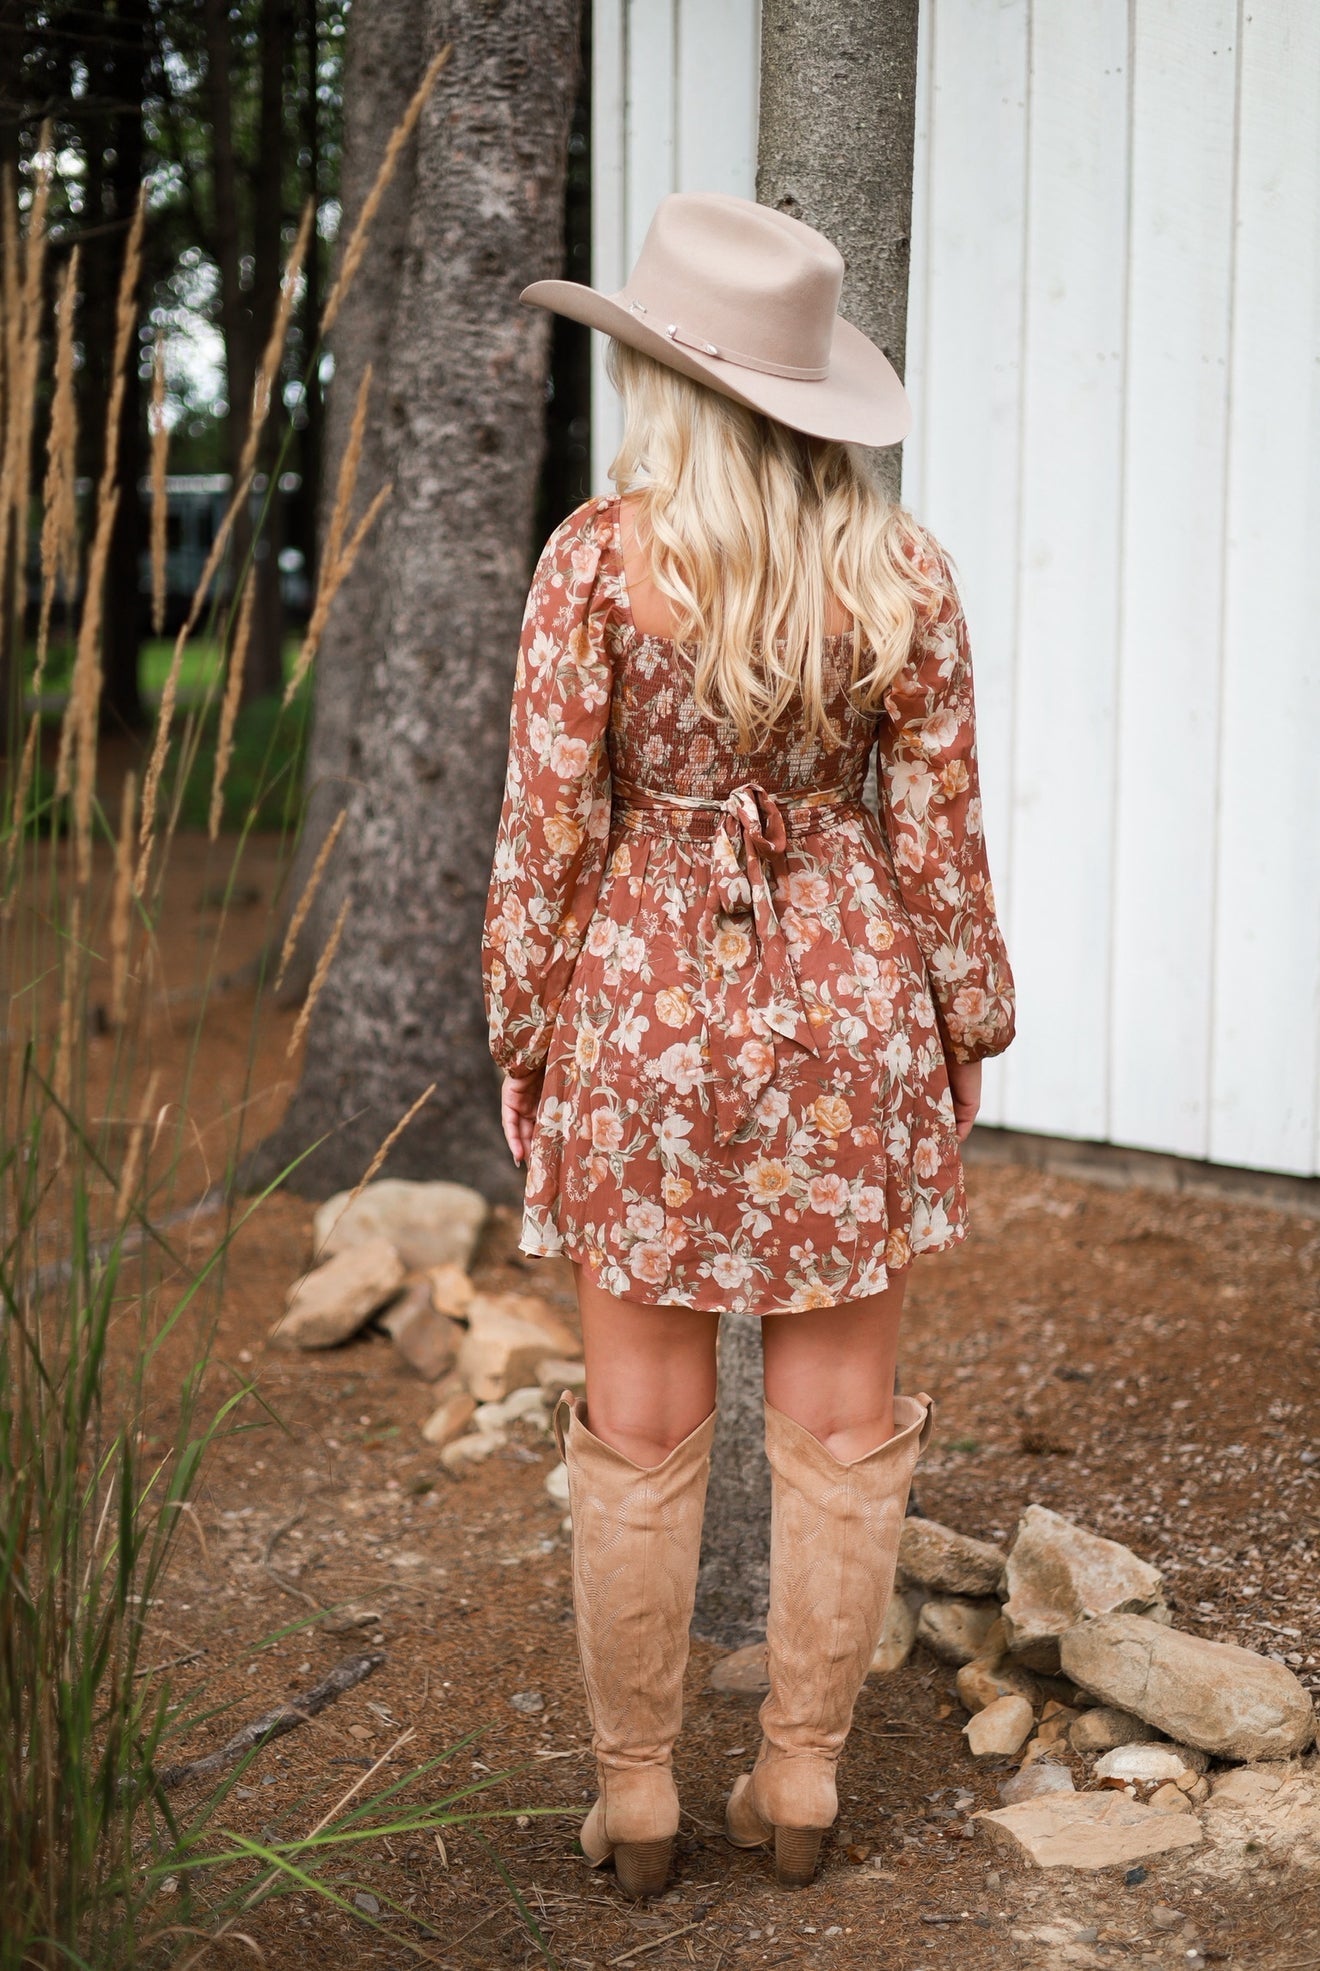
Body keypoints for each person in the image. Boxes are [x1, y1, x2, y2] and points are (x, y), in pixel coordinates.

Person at [482, 192, 1015, 1898]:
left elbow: (546, 834)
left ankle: (637, 1795)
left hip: (638, 1007)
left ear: (665, 376)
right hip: (853, 1006)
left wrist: (524, 1032)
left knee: (639, 1417)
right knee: (842, 1415)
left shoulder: (595, 562)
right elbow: (938, 839)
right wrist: (968, 1019)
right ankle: (799, 1778)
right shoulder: (901, 571)